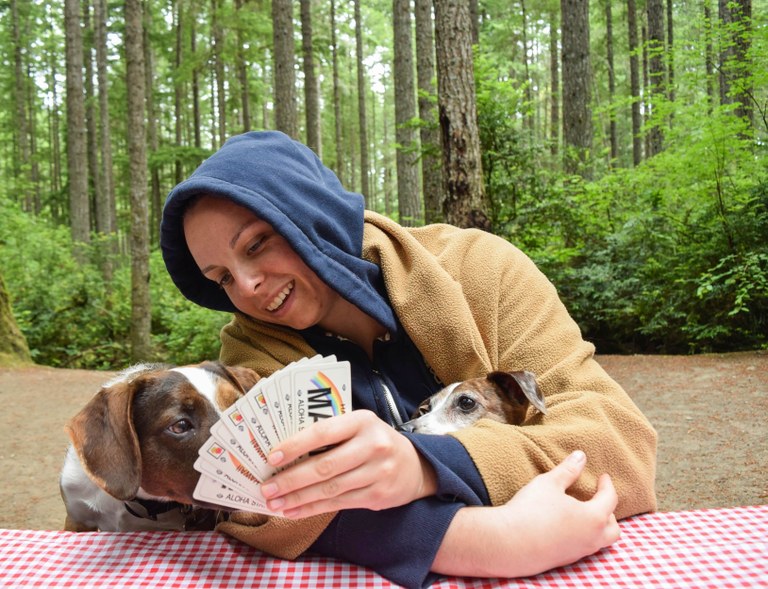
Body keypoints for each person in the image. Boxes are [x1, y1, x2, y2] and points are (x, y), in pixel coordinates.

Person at [160, 130, 657, 588]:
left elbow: (618, 440)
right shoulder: (251, 353)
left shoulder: (484, 270)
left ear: (311, 212)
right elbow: (261, 504)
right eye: (221, 276)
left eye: (257, 243)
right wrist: (484, 540)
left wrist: (424, 465)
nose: (245, 285)